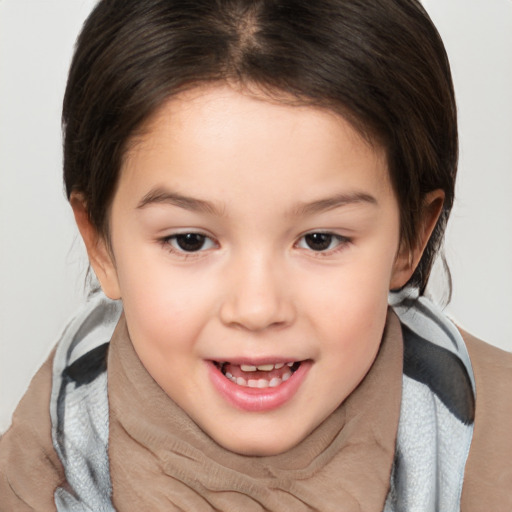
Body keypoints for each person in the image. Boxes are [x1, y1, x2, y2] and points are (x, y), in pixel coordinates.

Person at [1, 0, 511, 510]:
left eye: (320, 240)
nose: (257, 308)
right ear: (100, 245)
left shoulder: (497, 444)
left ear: (411, 239)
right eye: (190, 240)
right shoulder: (35, 474)